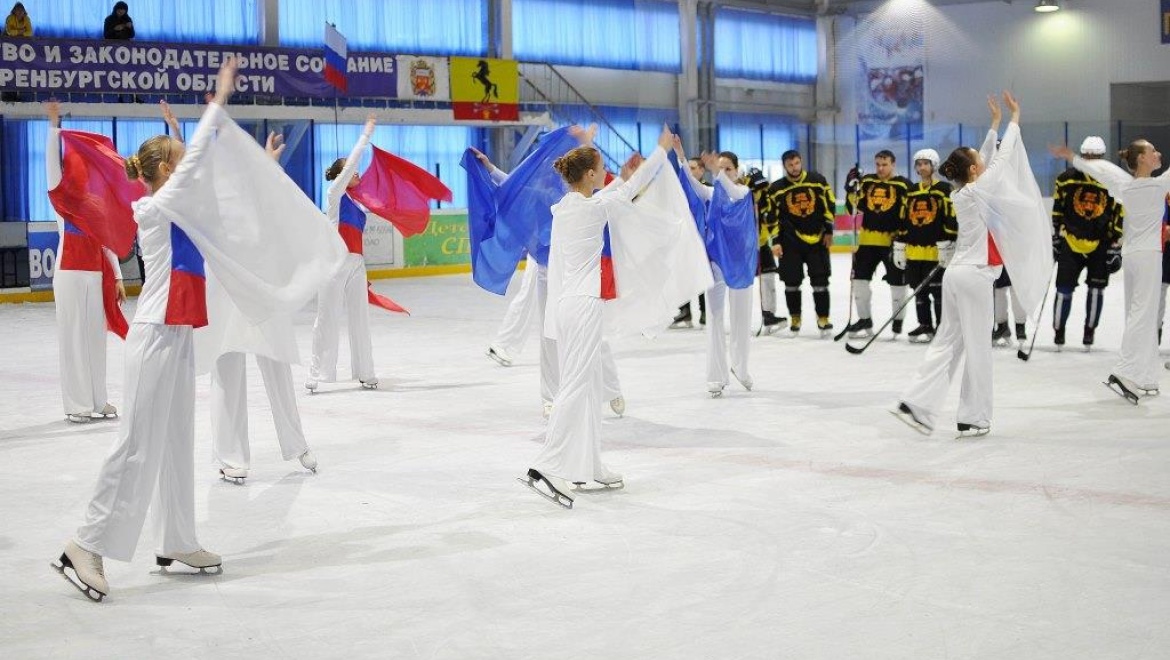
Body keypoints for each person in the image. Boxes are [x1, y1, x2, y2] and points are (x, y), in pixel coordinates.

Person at [52, 59, 241, 603]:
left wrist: (179, 133)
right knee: (136, 444)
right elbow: (194, 168)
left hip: (178, 333)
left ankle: (177, 539)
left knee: (177, 440)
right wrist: (216, 102)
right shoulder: (156, 207)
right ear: (164, 176)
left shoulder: (172, 200)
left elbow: (193, 171)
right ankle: (84, 545)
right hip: (156, 332)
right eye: (176, 166)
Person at [523, 125, 679, 508]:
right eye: (601, 166)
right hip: (584, 305)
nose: (606, 170)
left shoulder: (568, 208)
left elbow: (611, 187)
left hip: (569, 304)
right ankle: (547, 463)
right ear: (590, 174)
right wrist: (660, 153)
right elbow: (627, 188)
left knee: (589, 386)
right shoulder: (592, 210)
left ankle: (588, 465)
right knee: (576, 385)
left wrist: (590, 147)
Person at [896, 92, 1050, 436]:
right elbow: (1003, 156)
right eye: (978, 160)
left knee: (948, 341)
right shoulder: (981, 190)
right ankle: (974, 415)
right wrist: (1014, 118)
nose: (983, 159)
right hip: (976, 276)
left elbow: (987, 158)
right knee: (978, 349)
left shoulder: (962, 192)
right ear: (973, 170)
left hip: (956, 276)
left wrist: (994, 125)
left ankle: (917, 401)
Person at [473, 146, 625, 419]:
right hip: (546, 268)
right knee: (550, 335)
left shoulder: (580, 197)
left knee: (595, 337)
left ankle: (611, 389)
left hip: (578, 271)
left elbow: (615, 195)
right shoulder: (545, 195)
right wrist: (491, 168)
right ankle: (550, 397)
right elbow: (513, 187)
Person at [201, 132, 317, 483]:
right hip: (223, 291)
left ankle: (296, 443)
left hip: (260, 287)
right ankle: (229, 454)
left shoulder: (253, 190)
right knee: (227, 367)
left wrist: (268, 165)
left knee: (277, 362)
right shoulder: (203, 195)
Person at [1051, 138, 1170, 400]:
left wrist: (1073, 157)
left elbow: (1101, 169)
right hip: (1149, 256)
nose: (1158, 153)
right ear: (1141, 158)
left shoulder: (1124, 184)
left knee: (1140, 313)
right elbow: (1101, 169)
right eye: (1153, 151)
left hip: (1132, 256)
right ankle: (1125, 371)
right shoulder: (1158, 184)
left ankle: (1147, 375)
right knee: (1143, 314)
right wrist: (1075, 158)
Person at [45, 100, 126, 424]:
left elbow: (107, 243)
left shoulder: (96, 204)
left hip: (95, 276)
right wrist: (54, 126)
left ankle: (97, 399)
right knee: (73, 338)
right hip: (68, 274)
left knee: (94, 339)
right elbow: (52, 166)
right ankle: (76, 403)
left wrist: (118, 277)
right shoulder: (60, 199)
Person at [307, 114, 380, 393]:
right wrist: (366, 135)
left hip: (356, 265)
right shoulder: (333, 195)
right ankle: (315, 374)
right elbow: (351, 166)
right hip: (334, 264)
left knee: (360, 319)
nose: (358, 175)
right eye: (353, 172)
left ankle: (366, 372)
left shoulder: (359, 203)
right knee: (326, 318)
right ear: (343, 176)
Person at [680, 146, 757, 397]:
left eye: (728, 169)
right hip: (716, 263)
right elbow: (691, 184)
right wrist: (681, 156)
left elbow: (732, 191)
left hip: (740, 265)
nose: (723, 172)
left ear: (737, 171)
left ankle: (741, 367)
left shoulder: (743, 193)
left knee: (741, 318)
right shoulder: (711, 192)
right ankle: (716, 376)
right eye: (720, 167)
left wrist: (717, 172)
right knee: (714, 318)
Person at [1050, 136, 1124, 351]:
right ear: (1083, 155)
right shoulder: (1066, 179)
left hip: (1100, 244)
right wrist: (1056, 236)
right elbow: (1058, 208)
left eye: (1096, 156)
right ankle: (1059, 330)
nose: (1092, 160)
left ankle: (1089, 331)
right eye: (1088, 156)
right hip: (1070, 243)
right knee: (1063, 289)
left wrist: (1115, 242)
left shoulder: (1111, 181)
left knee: (1096, 290)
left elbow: (1119, 212)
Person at [763, 149, 836, 337]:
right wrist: (776, 241)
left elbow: (829, 204)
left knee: (820, 281)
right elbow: (772, 217)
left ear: (801, 161)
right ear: (784, 166)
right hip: (789, 242)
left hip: (817, 239)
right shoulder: (776, 188)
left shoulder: (817, 180)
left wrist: (828, 230)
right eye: (790, 165)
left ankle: (823, 318)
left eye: (796, 163)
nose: (794, 168)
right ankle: (795, 317)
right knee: (791, 282)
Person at [844, 150, 912, 338]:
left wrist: (904, 238)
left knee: (898, 284)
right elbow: (853, 210)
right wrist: (850, 188)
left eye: (885, 164)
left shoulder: (904, 185)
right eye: (878, 165)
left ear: (893, 164)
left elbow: (910, 215)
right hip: (867, 241)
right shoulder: (867, 182)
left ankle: (898, 321)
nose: (880, 168)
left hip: (894, 243)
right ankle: (864, 319)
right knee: (859, 281)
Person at [894, 148, 956, 342]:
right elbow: (904, 218)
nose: (921, 167)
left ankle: (942, 327)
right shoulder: (911, 191)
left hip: (936, 251)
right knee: (919, 291)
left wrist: (950, 242)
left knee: (938, 291)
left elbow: (951, 216)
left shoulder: (944, 189)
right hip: (914, 250)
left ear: (934, 165)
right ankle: (925, 324)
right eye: (918, 164)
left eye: (925, 163)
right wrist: (900, 245)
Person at [671, 155, 708, 328]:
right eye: (688, 168)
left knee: (703, 275)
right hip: (684, 240)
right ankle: (685, 310)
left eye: (693, 168)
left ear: (702, 170)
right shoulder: (680, 191)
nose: (690, 171)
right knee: (683, 275)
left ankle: (705, 312)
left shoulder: (709, 190)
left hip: (704, 240)